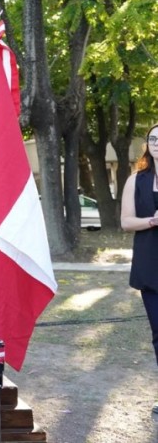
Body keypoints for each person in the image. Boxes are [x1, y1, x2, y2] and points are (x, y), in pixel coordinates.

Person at [120, 122, 158, 413]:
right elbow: (126, 222)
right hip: (150, 267)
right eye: (153, 138)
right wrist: (152, 221)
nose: (156, 143)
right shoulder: (136, 179)